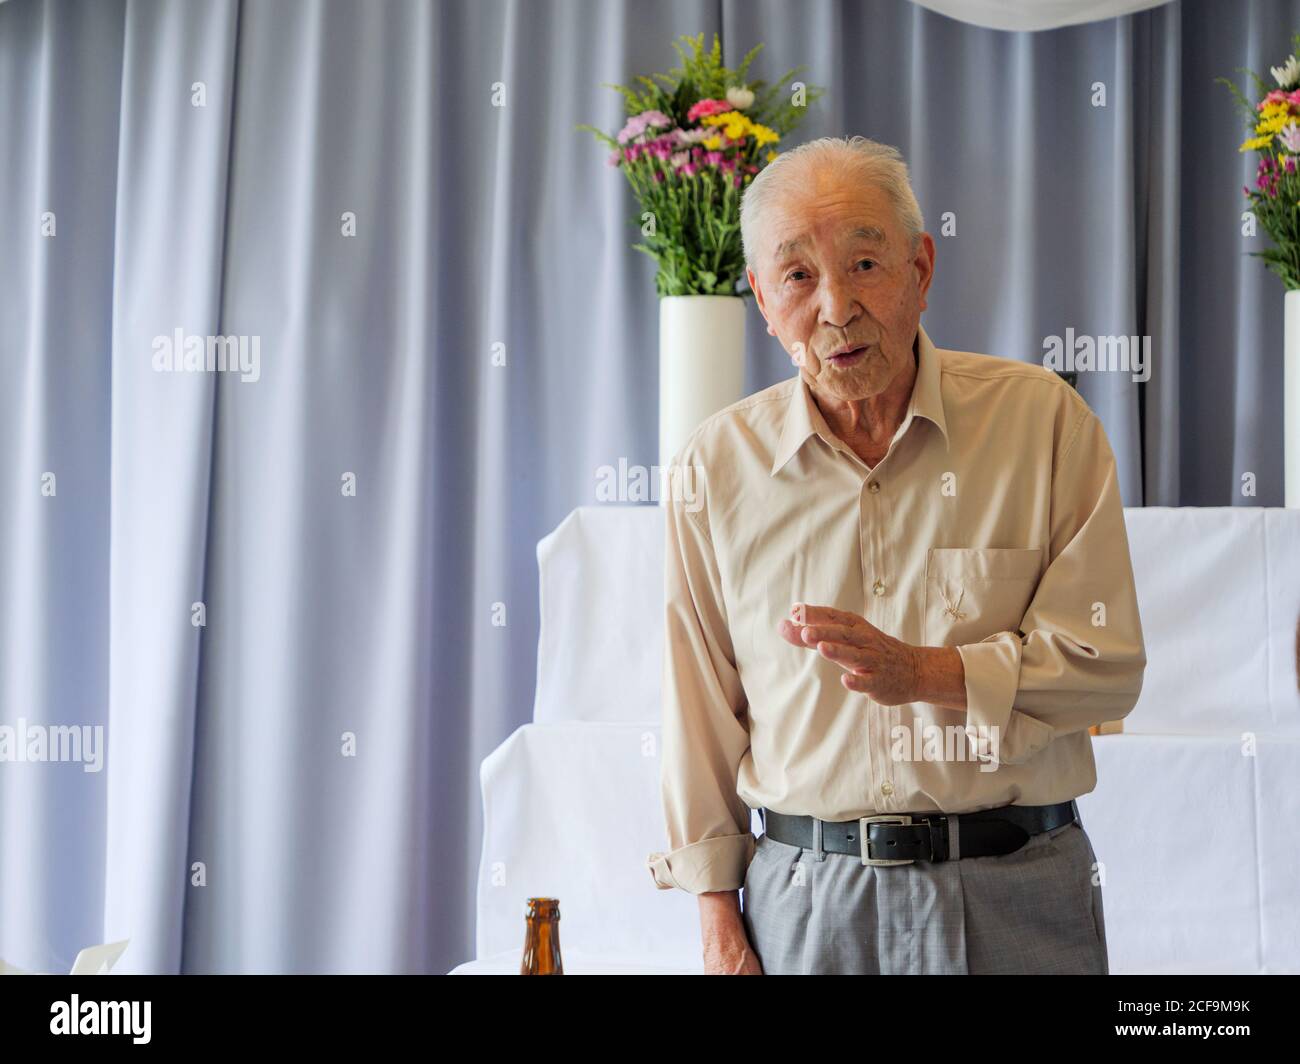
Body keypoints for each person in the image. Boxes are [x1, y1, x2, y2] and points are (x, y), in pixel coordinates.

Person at [646, 135, 1147, 975]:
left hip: (1016, 893)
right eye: (798, 276)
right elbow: (697, 714)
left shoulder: (1043, 425)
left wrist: (925, 674)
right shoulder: (715, 468)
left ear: (921, 269)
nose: (836, 307)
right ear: (763, 303)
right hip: (804, 909)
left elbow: (1105, 667)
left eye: (866, 264)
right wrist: (717, 927)